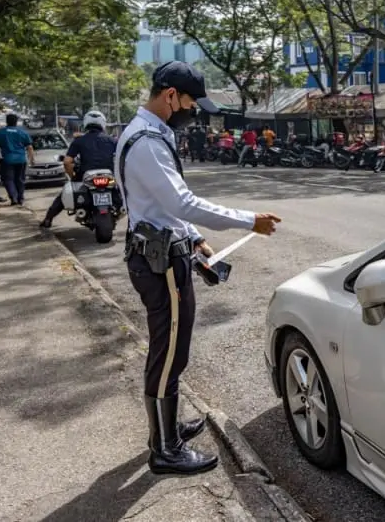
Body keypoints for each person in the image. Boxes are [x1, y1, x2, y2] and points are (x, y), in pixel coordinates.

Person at [115, 61, 281, 476]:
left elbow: (164, 208)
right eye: (190, 103)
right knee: (169, 351)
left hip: (163, 251)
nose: (192, 111)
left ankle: (166, 430)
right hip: (159, 264)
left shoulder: (148, 134)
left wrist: (194, 239)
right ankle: (165, 450)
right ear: (170, 95)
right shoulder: (148, 142)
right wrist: (249, 220)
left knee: (171, 348)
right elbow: (182, 203)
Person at [39, 111, 117, 228]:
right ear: (103, 123)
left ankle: (48, 219)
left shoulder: (79, 141)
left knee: (63, 195)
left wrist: (73, 177)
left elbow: (67, 162)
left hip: (85, 176)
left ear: (86, 123)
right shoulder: (112, 140)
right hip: (109, 176)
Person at [0, 114, 35, 206]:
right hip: (21, 159)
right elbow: (30, 147)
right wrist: (32, 159)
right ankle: (20, 199)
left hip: (7, 160)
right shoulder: (22, 132)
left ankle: (13, 198)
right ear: (16, 122)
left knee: (8, 179)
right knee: (20, 179)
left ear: (7, 121)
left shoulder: (1, 132)